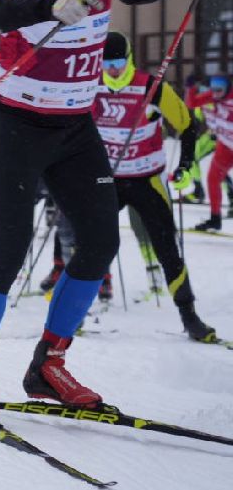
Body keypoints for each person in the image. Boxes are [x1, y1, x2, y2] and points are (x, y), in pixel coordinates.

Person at [0, 0, 231, 417]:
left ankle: (48, 364)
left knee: (100, 242)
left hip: (76, 123)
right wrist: (47, 5)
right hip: (18, 118)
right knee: (8, 249)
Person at [90, 32, 214, 339]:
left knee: (167, 250)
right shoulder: (92, 86)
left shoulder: (151, 87)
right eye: (107, 64)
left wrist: (184, 166)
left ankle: (189, 316)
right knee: (90, 246)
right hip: (109, 180)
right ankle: (72, 316)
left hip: (147, 180)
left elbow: (187, 126)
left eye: (118, 63)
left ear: (129, 59)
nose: (113, 70)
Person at [188, 74, 233, 231]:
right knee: (213, 179)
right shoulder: (212, 96)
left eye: (219, 90)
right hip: (226, 145)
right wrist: (192, 88)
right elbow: (192, 102)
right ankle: (215, 218)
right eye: (213, 90)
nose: (216, 93)